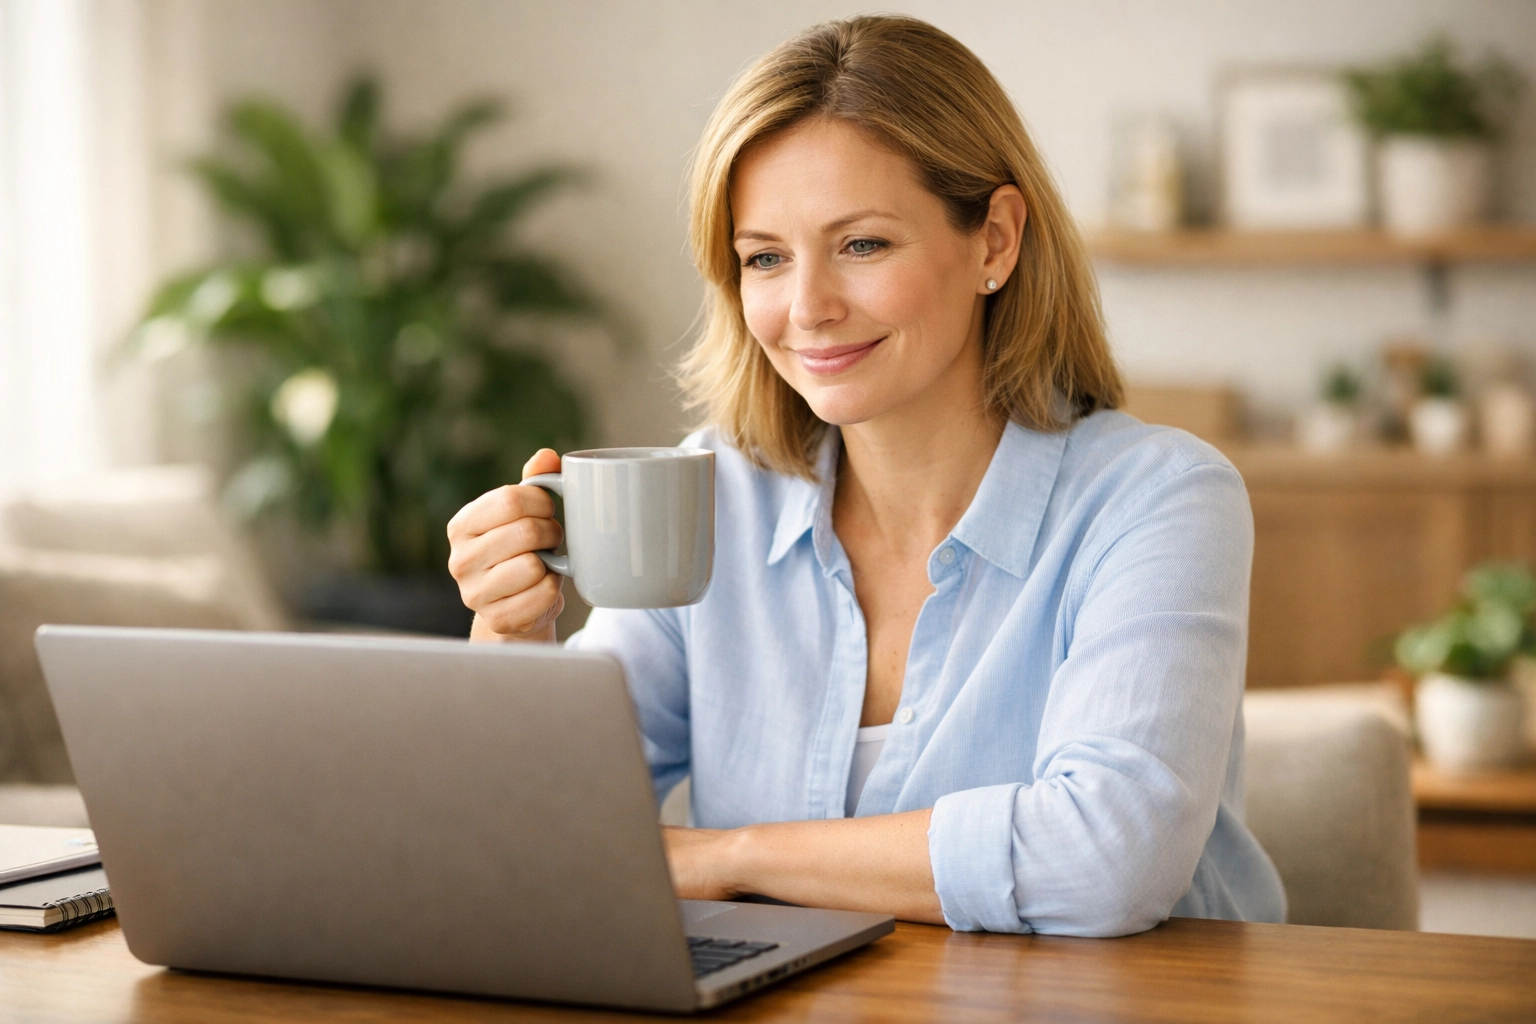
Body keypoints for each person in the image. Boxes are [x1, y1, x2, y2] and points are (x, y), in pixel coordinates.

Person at [446, 14, 1285, 936]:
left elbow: (1106, 858)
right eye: (764, 257)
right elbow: (541, 837)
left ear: (995, 241)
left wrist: (730, 857)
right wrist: (514, 644)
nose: (807, 308)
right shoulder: (709, 494)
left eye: (863, 245)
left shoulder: (1158, 500)